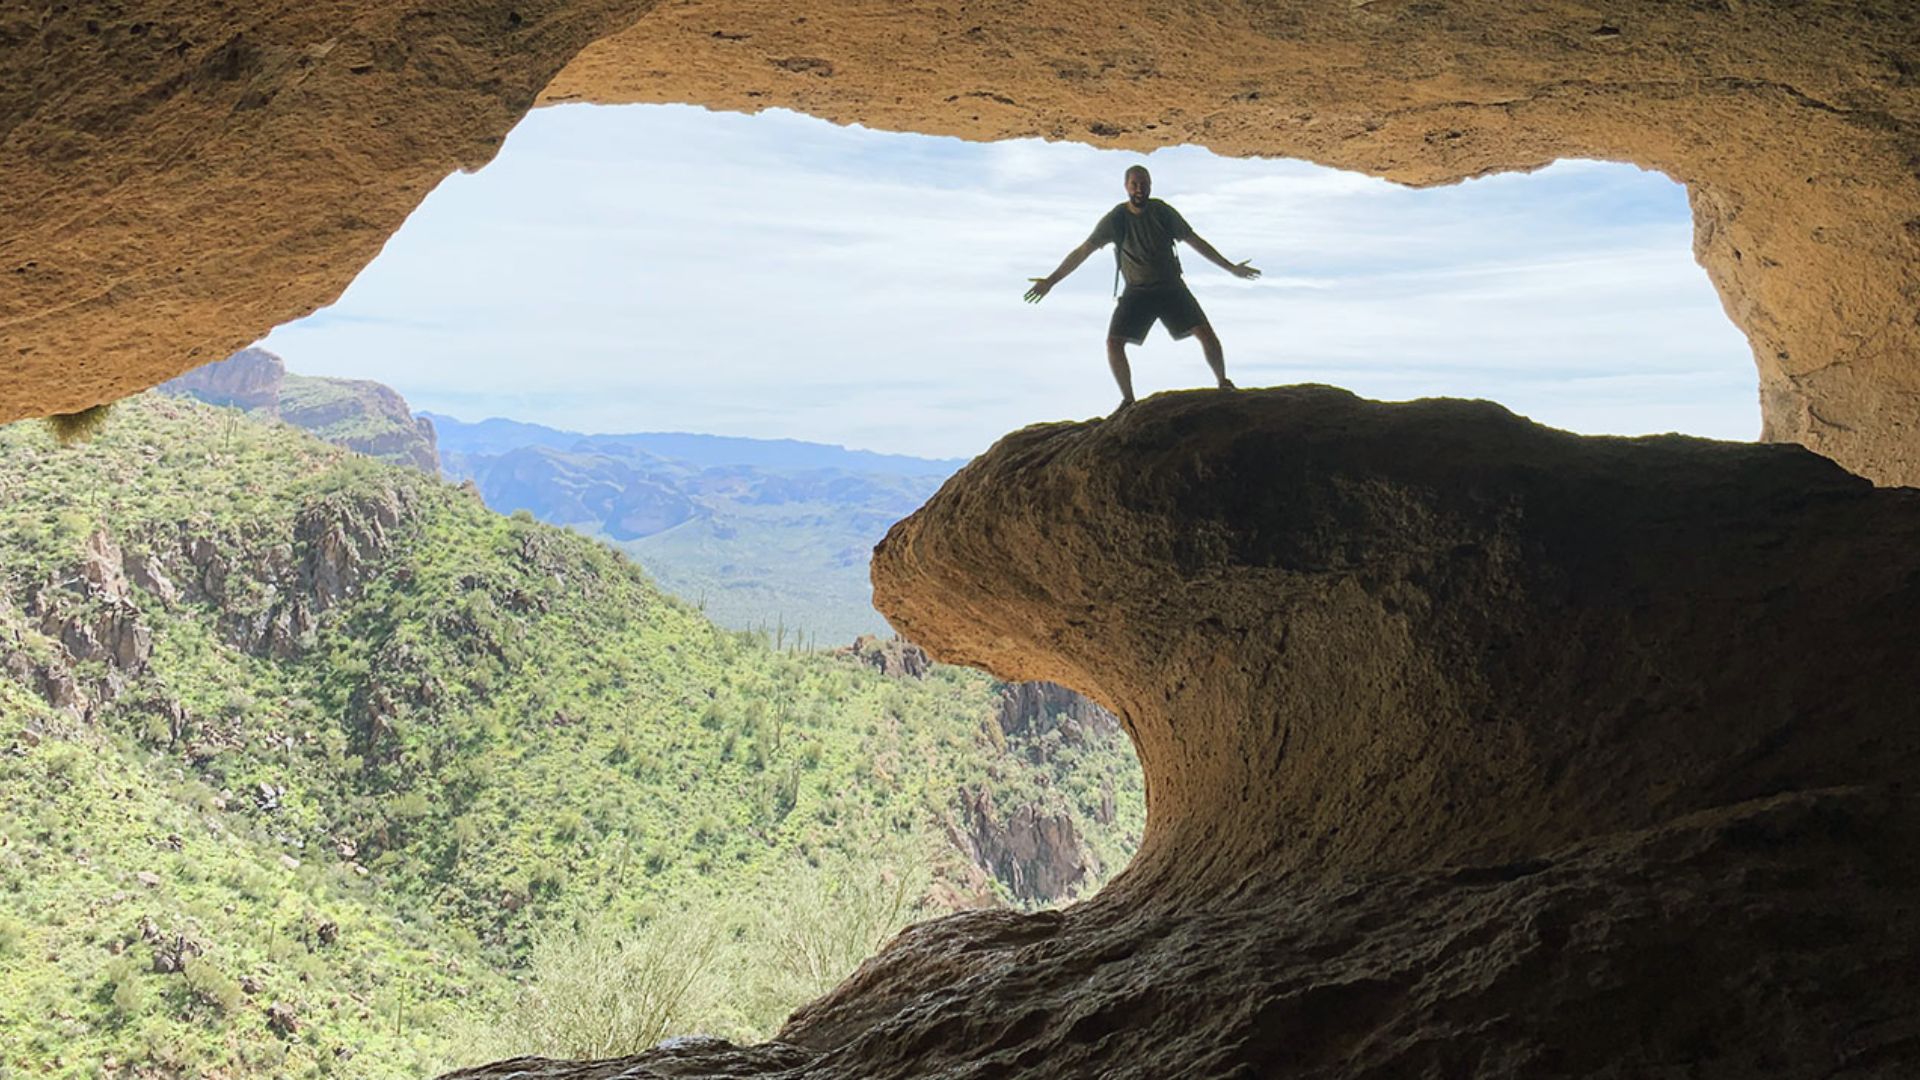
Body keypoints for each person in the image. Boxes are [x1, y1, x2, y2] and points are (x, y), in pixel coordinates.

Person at [1024, 164, 1261, 413]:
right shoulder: (1117, 218)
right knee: (1113, 343)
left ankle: (1223, 382)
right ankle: (1128, 400)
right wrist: (1050, 281)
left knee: (1205, 332)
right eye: (1135, 184)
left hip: (1171, 288)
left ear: (1151, 185)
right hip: (1137, 292)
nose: (1140, 189)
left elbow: (1195, 241)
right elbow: (1084, 251)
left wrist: (1230, 267)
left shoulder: (1162, 212)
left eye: (1144, 183)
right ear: (1126, 186)